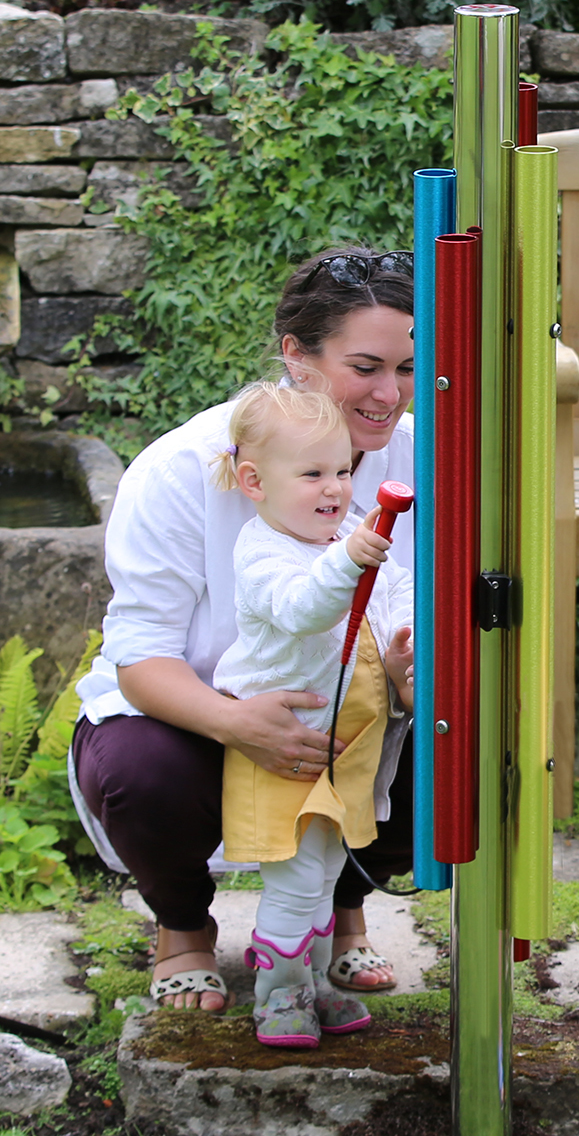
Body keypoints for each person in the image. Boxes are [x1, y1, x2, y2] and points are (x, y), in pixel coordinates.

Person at [69, 246, 415, 1013]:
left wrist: (406, 669)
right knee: (142, 770)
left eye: (408, 367)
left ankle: (344, 915)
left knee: (458, 740)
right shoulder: (180, 468)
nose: (390, 396)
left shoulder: (416, 455)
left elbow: (407, 603)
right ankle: (183, 931)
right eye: (365, 366)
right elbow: (140, 655)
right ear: (296, 355)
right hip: (194, 710)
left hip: (350, 711)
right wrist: (236, 721)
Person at [211, 383, 413, 1047]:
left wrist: (408, 630)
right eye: (312, 473)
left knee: (325, 876)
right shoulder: (263, 551)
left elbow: (395, 594)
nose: (334, 487)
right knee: (297, 881)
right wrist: (348, 558)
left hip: (341, 751)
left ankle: (312, 980)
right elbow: (305, 609)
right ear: (254, 481)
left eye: (341, 470)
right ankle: (278, 993)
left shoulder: (339, 542)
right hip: (285, 752)